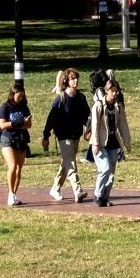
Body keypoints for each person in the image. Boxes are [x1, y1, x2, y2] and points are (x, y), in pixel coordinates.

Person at [45, 68, 88, 200]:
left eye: (76, 78)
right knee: (71, 162)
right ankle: (78, 190)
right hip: (63, 136)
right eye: (72, 78)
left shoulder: (81, 97)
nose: (75, 80)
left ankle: (55, 188)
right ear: (66, 81)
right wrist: (46, 135)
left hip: (76, 134)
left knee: (67, 162)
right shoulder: (60, 99)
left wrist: (90, 128)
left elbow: (87, 115)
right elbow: (51, 118)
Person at [88, 73, 131, 206]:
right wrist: (95, 143)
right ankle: (97, 193)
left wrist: (127, 142)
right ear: (106, 91)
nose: (115, 93)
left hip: (113, 142)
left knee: (111, 174)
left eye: (116, 91)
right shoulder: (98, 106)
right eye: (112, 91)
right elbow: (94, 125)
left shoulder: (118, 107)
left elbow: (123, 125)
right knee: (105, 168)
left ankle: (104, 198)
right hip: (100, 143)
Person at [0, 79, 32, 205]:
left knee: (19, 168)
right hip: (7, 139)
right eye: (18, 96)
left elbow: (28, 124)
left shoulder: (24, 107)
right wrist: (17, 123)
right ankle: (10, 194)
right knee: (12, 166)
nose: (21, 98)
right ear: (12, 94)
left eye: (22, 96)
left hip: (20, 139)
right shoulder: (5, 107)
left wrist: (22, 124)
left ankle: (14, 194)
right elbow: (3, 125)